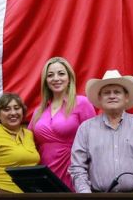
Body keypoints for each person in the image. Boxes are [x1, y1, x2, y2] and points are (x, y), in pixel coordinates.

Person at [69, 70, 133, 193]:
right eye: (107, 93)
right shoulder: (85, 129)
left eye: (117, 92)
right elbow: (77, 168)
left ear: (126, 97)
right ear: (99, 98)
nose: (112, 96)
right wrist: (87, 197)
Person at [28, 57, 96, 191]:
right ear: (45, 81)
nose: (56, 78)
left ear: (69, 78)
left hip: (74, 170)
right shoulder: (39, 110)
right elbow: (28, 141)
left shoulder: (82, 103)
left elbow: (94, 140)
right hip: (44, 173)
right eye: (50, 75)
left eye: (61, 73)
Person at [0, 93, 41, 193]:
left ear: (23, 111)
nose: (13, 113)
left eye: (17, 108)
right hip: (5, 196)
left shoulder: (29, 135)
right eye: (6, 109)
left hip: (31, 194)